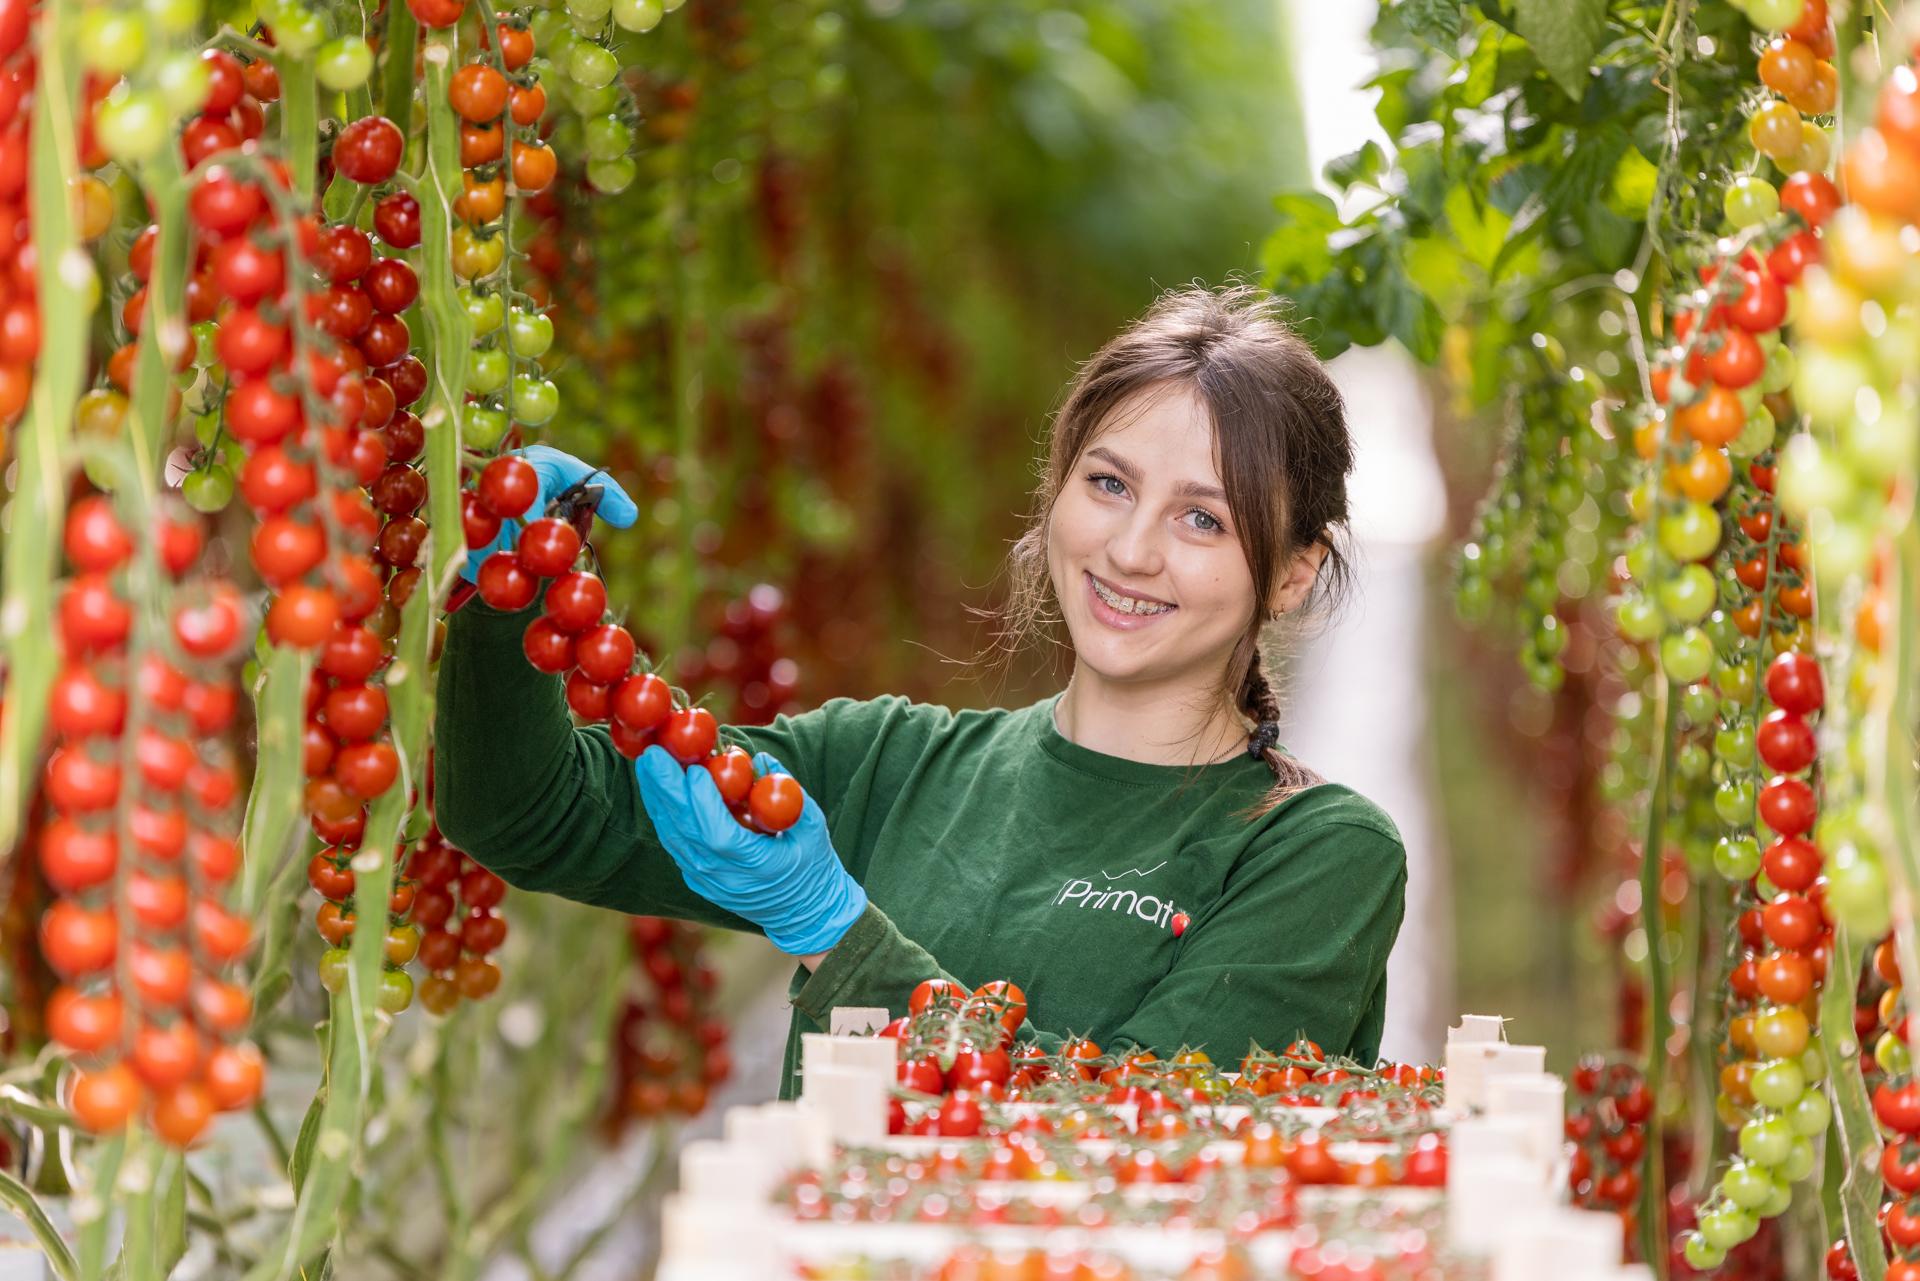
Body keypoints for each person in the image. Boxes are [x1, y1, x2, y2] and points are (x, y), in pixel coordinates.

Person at [434, 283, 1407, 1098]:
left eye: (1203, 520)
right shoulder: (889, 767)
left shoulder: (1317, 857)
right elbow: (528, 815)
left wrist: (838, 934)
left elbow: (1133, 1147)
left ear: (1291, 574)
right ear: (1056, 490)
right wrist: (503, 601)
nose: (1132, 549)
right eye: (1108, 485)